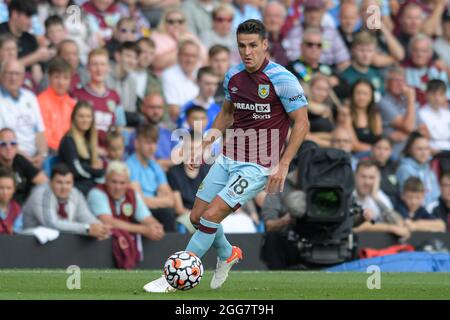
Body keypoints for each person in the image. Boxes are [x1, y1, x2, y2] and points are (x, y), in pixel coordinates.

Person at [143, 19, 309, 292]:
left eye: (253, 45)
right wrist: (204, 146)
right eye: (242, 46)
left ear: (265, 45)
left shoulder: (283, 79)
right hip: (229, 156)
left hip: (258, 165)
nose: (247, 52)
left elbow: (301, 123)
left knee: (212, 216)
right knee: (196, 217)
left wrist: (284, 163)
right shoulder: (233, 75)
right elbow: (226, 115)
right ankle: (227, 253)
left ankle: (176, 275)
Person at [23, 163, 111, 239]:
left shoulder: (75, 193)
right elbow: (52, 224)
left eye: (68, 182)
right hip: (32, 245)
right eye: (59, 182)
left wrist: (101, 228)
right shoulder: (41, 193)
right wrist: (87, 229)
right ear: (50, 182)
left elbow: (86, 217)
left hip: (62, 245)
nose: (64, 187)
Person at [87, 160, 165, 240]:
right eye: (114, 182)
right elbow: (108, 222)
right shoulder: (97, 193)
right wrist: (144, 230)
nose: (118, 187)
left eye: (122, 183)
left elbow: (146, 217)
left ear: (128, 183)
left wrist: (156, 227)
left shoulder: (132, 194)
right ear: (106, 180)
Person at [71, 48, 127, 148]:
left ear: (108, 68)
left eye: (102, 64)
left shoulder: (114, 96)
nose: (99, 69)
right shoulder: (78, 95)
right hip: (85, 150)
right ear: (88, 68)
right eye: (95, 64)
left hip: (109, 151)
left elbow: (120, 127)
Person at [126, 124, 176, 232]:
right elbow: (139, 201)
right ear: (137, 143)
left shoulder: (155, 165)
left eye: (154, 143)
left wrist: (153, 201)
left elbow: (171, 200)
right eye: (148, 143)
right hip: (138, 212)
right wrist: (161, 200)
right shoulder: (129, 166)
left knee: (169, 212)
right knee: (167, 213)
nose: (152, 147)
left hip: (155, 210)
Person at [0, 59, 48, 168]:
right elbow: (3, 140)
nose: (13, 78)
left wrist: (42, 155)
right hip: (10, 159)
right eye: (9, 73)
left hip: (35, 159)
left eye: (17, 74)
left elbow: (40, 132)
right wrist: (28, 161)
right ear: (1, 75)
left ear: (23, 77)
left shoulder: (30, 97)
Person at [352, 160, 412, 241]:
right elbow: (355, 226)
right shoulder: (349, 195)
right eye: (363, 177)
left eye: (371, 178)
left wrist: (375, 197)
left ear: (377, 179)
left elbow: (398, 223)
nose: (367, 182)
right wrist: (389, 228)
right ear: (355, 176)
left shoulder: (379, 196)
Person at [58, 101, 105, 196]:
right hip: (76, 186)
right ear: (74, 118)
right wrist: (95, 172)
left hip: (89, 182)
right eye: (81, 116)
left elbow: (96, 165)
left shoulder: (89, 139)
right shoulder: (68, 140)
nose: (85, 120)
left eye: (88, 116)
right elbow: (76, 170)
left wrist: (98, 170)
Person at [378, 66, 422, 157]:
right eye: (395, 80)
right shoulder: (383, 102)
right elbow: (409, 127)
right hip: (394, 154)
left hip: (413, 153)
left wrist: (407, 135)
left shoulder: (409, 102)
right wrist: (411, 99)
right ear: (387, 83)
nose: (400, 84)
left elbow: (425, 131)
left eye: (402, 81)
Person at [38, 57, 76, 153]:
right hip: (49, 151)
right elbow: (42, 135)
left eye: (65, 78)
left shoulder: (72, 104)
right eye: (57, 77)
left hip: (69, 152)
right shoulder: (40, 101)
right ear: (49, 77)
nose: (61, 82)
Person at [0, 128, 47, 204]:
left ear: (17, 146)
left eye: (12, 143)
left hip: (25, 206)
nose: (8, 147)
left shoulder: (20, 160)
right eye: (3, 144)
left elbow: (44, 182)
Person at [161, 39, 201, 124]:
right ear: (178, 56)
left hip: (200, 123)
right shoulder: (169, 75)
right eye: (186, 55)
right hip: (178, 125)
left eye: (193, 56)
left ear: (198, 58)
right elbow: (174, 110)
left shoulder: (200, 74)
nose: (189, 60)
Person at [396, 132, 440, 207]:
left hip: (434, 208)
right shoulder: (405, 169)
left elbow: (436, 192)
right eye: (419, 149)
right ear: (410, 150)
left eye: (427, 149)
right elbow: (410, 197)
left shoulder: (428, 168)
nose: (424, 153)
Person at [178, 66, 220, 130]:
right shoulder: (186, 108)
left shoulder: (218, 109)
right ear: (198, 82)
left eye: (215, 84)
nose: (212, 88)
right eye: (208, 84)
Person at [418, 79, 450, 153]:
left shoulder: (448, 114)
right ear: (426, 95)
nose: (437, 98)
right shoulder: (421, 114)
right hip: (432, 150)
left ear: (445, 96)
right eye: (433, 94)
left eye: (441, 94)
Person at [370, 136, 400, 207]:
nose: (382, 152)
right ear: (372, 148)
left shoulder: (394, 168)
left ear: (391, 151)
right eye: (379, 148)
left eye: (386, 149)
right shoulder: (366, 168)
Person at [0, 167, 23, 234]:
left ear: (14, 189)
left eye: (8, 188)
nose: (5, 192)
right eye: (1, 188)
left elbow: (17, 232)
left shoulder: (16, 208)